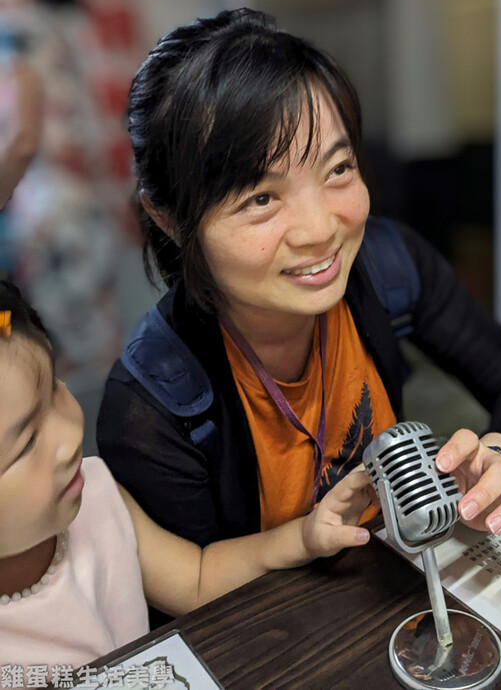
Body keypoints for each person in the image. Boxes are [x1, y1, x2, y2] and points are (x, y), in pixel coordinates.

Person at [97, 8, 501, 589]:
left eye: (338, 168)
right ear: (168, 219)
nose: (321, 229)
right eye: (260, 199)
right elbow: (198, 610)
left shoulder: (388, 263)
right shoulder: (150, 409)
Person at [0, 280, 375, 672]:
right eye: (26, 442)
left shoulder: (96, 493)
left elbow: (196, 579)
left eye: (54, 391)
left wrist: (302, 537)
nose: (69, 435)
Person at [0, 0, 124, 371]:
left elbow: (23, 137)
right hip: (91, 204)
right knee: (103, 343)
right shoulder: (78, 25)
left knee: (54, 352)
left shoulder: (21, 34)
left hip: (49, 210)